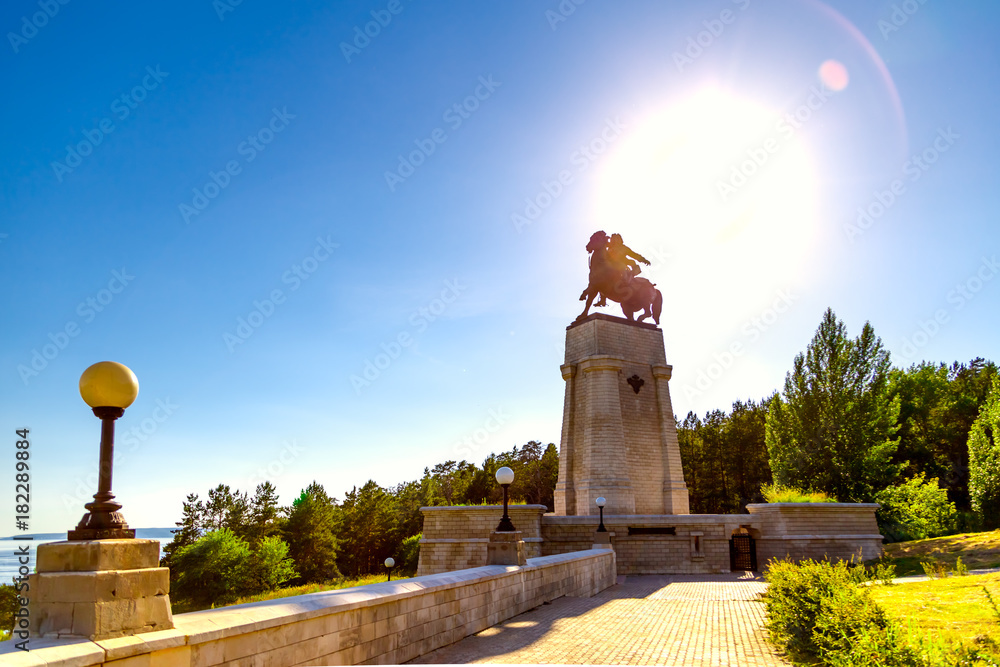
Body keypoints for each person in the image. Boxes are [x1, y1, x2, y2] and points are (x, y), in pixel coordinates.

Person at [597, 233, 650, 306]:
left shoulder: (624, 248)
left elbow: (634, 255)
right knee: (601, 278)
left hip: (620, 266)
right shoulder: (609, 247)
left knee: (621, 267)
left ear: (620, 240)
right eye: (613, 239)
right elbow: (602, 245)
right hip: (609, 266)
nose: (614, 241)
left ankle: (625, 283)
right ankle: (603, 299)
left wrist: (643, 260)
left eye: (616, 239)